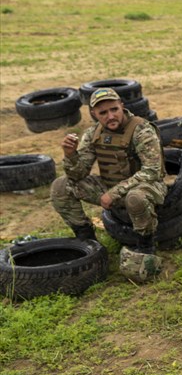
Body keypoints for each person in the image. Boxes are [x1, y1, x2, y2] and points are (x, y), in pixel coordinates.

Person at [51, 88, 166, 255]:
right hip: (109, 185)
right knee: (60, 186)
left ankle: (145, 246)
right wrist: (71, 155)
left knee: (136, 198)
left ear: (121, 106)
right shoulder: (93, 133)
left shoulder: (142, 130)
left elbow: (152, 171)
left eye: (114, 109)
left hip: (146, 186)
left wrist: (115, 193)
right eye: (103, 112)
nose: (110, 116)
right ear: (94, 114)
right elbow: (78, 174)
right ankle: (88, 242)